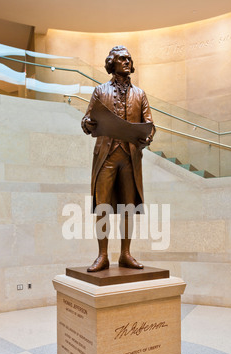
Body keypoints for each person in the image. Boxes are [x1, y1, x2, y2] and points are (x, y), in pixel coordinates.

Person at [81, 45, 155, 272]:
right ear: (112, 63)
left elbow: (150, 124)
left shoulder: (140, 94)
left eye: (129, 59)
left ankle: (125, 254)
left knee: (128, 208)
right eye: (122, 59)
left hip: (130, 157)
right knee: (102, 206)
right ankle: (102, 255)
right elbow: (86, 119)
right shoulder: (99, 91)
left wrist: (148, 136)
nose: (126, 62)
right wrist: (88, 123)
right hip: (107, 156)